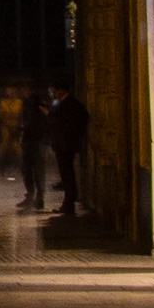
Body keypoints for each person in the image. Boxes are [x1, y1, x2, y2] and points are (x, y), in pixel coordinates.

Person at [45, 82, 89, 216]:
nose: (53, 94)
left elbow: (78, 119)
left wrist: (73, 135)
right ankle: (68, 202)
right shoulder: (63, 103)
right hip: (63, 143)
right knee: (66, 173)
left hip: (66, 144)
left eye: (54, 91)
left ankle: (69, 204)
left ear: (61, 91)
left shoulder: (70, 104)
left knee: (67, 173)